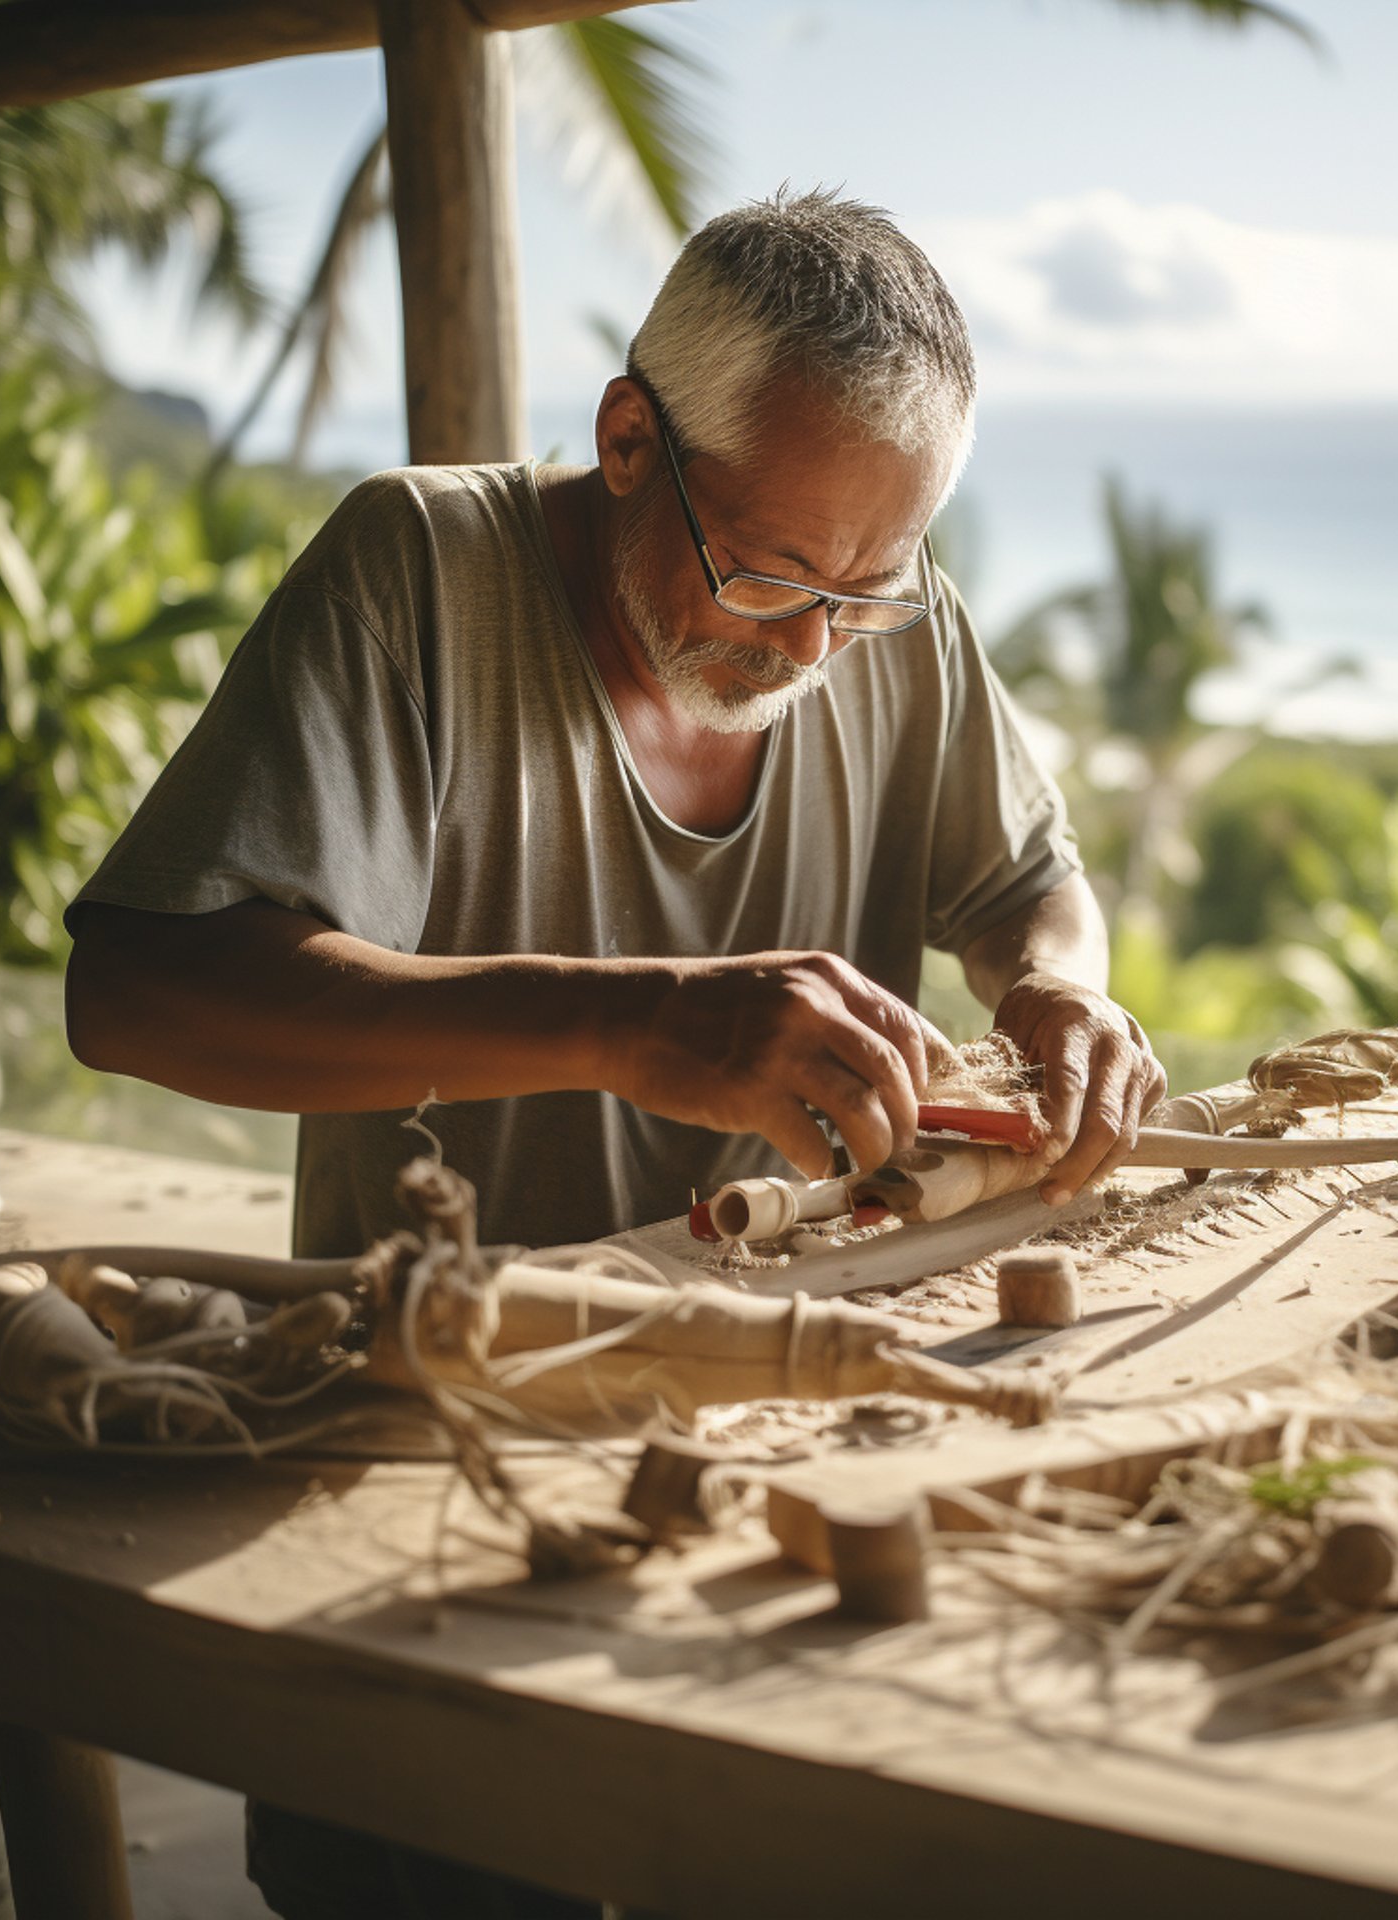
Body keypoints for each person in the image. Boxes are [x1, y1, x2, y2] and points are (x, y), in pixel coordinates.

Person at [65, 187, 1164, 1918]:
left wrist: (1055, 992)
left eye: (866, 597)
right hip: (439, 1464)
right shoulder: (414, 575)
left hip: (806, 1449)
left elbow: (1031, 881)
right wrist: (626, 1021)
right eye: (773, 576)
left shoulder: (890, 617)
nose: (815, 649)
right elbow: (137, 990)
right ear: (629, 437)